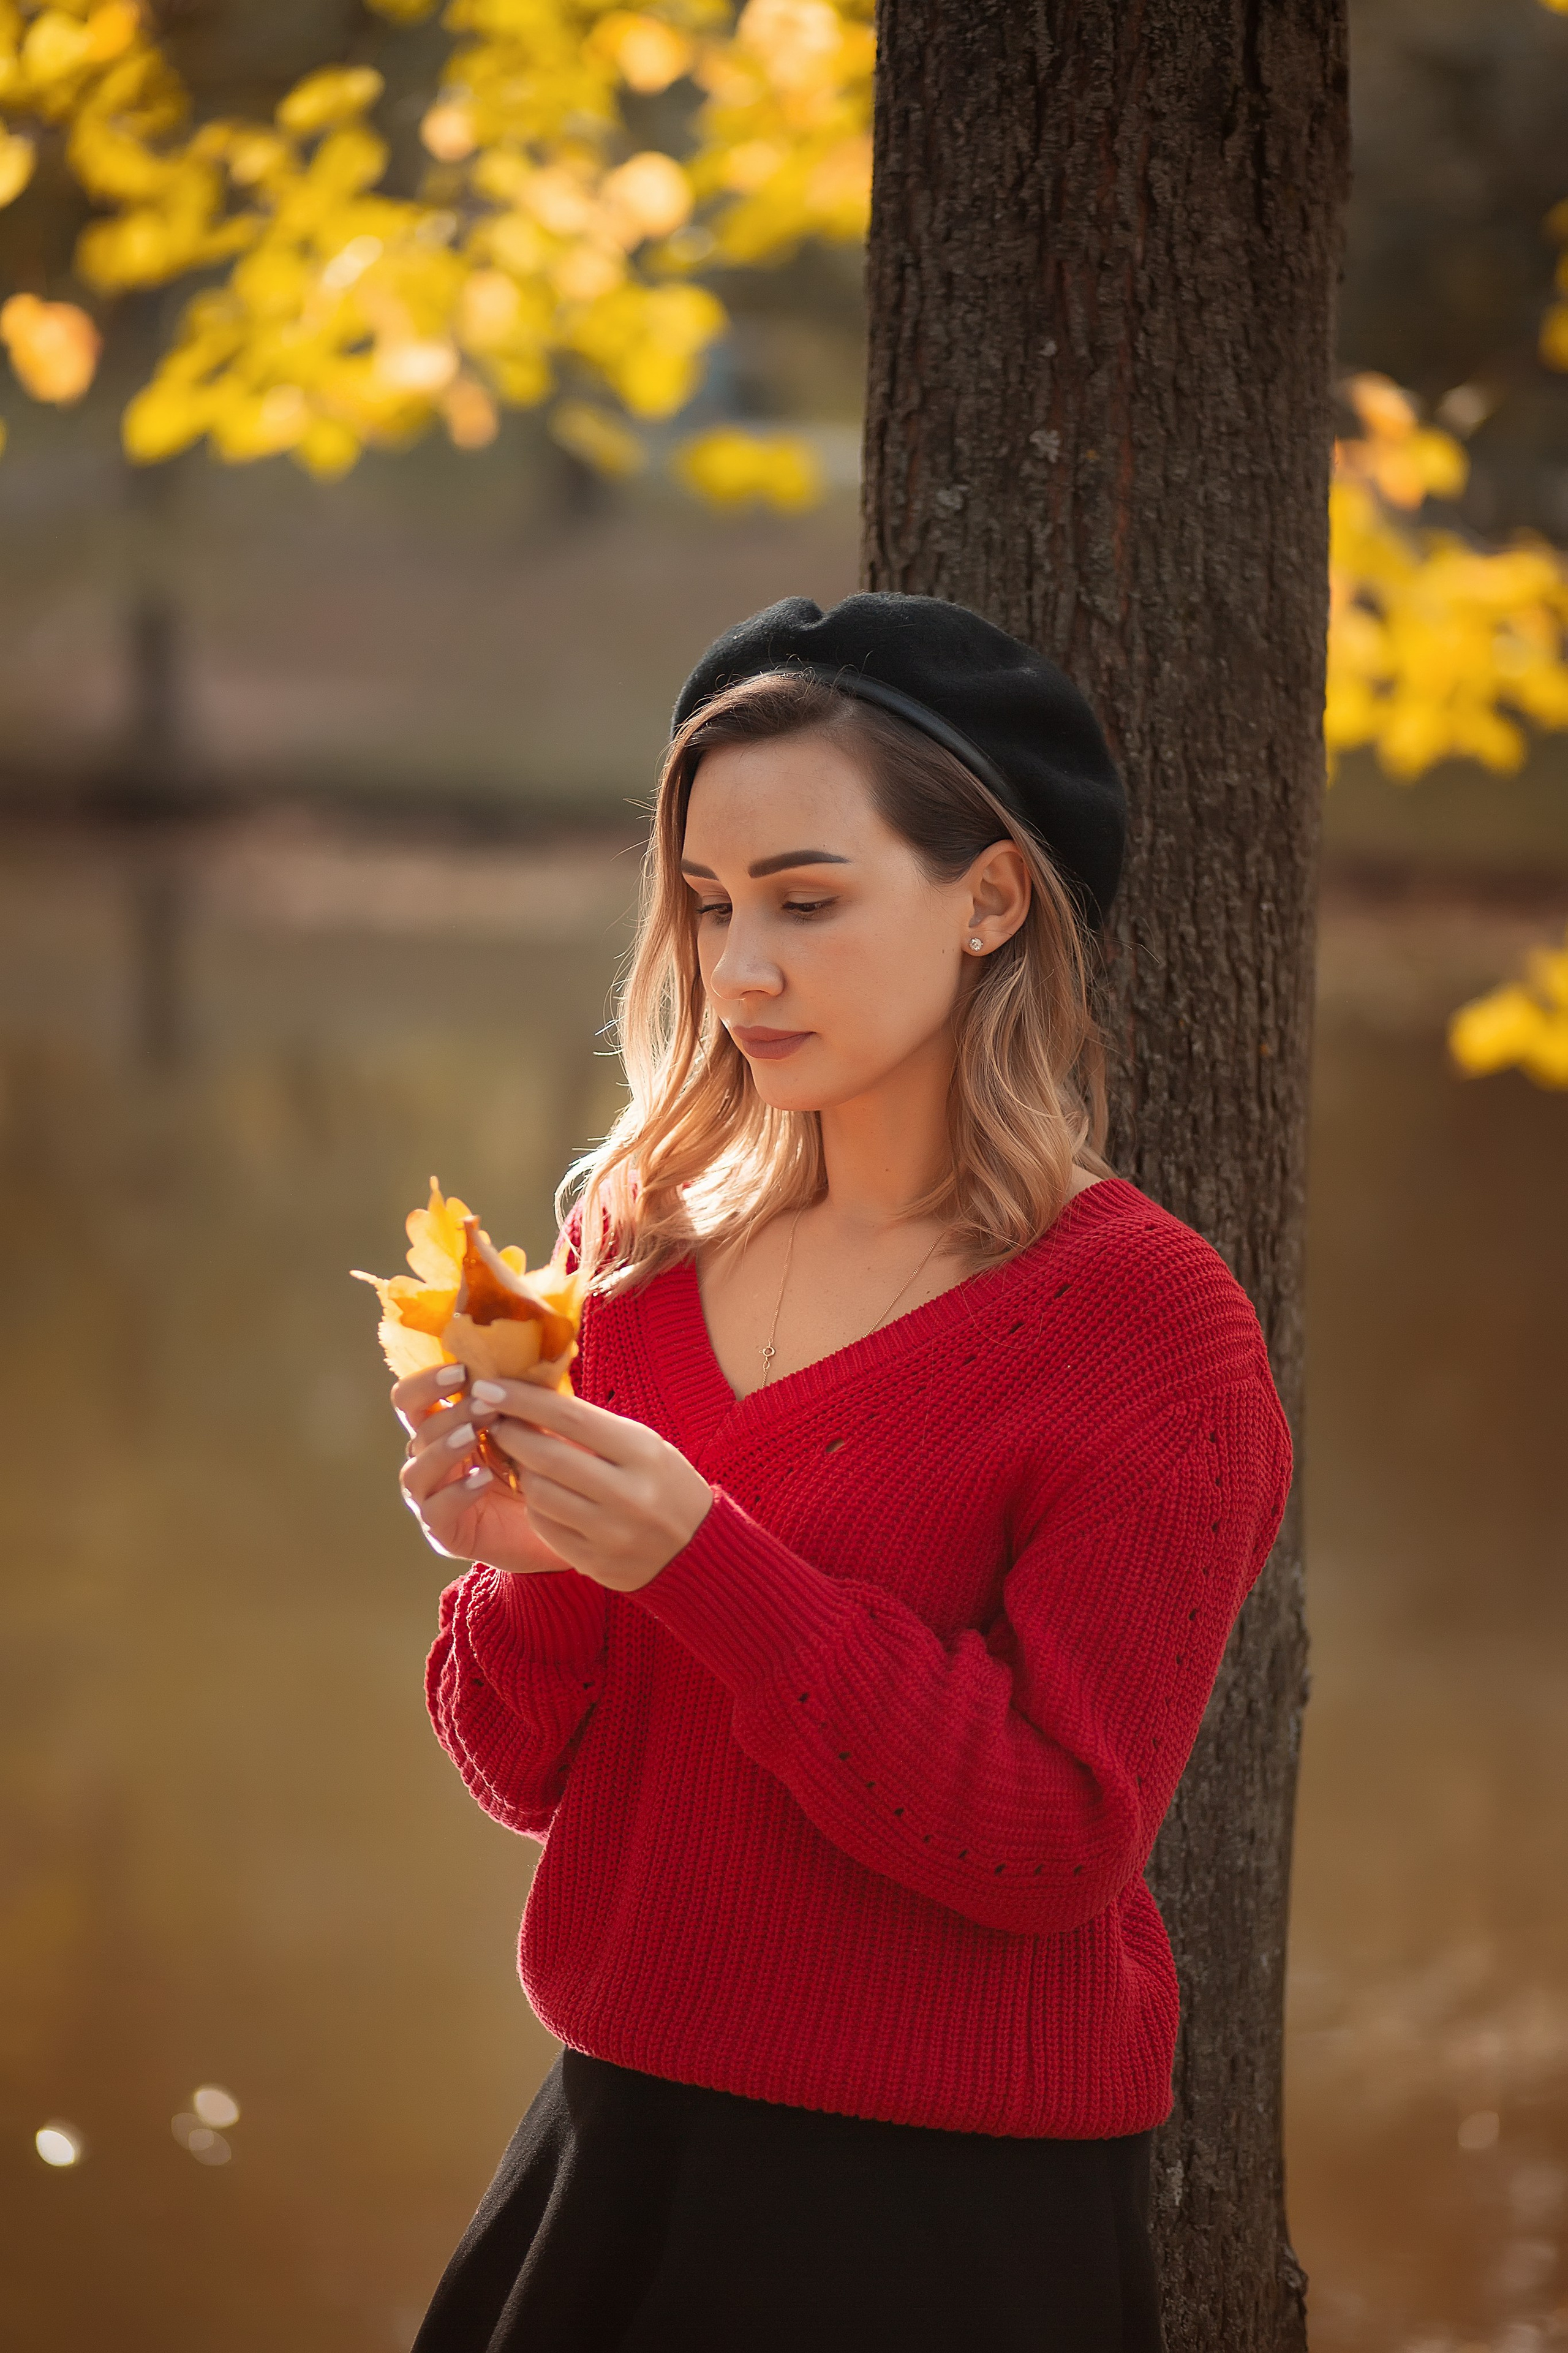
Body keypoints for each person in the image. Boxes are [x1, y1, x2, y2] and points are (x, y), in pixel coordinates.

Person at [394, 593, 1293, 2352]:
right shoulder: (631, 1243)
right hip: (607, 2155)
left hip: (939, 2222)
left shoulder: (1145, 1322)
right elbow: (521, 1767)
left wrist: (694, 1553)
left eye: (807, 902)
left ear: (989, 897)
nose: (739, 973)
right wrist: (536, 1560)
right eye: (711, 906)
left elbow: (1055, 1839)